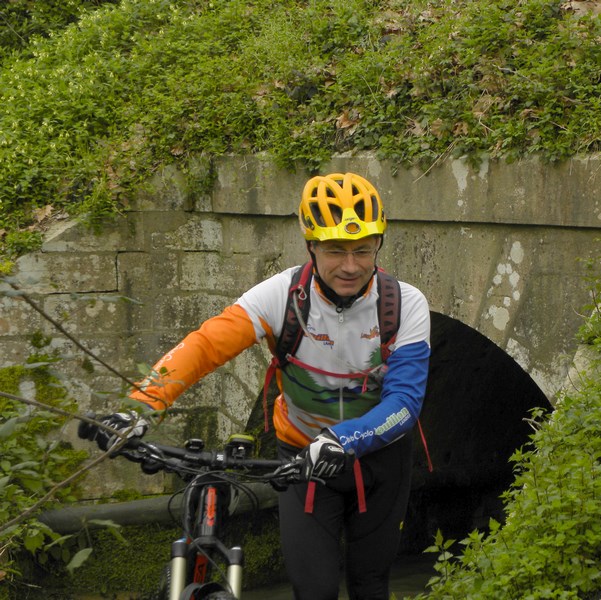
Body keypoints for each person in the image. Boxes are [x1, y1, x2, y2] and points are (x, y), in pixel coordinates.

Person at [84, 172, 431, 600]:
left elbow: (405, 402)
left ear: (379, 244)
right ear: (311, 246)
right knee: (314, 590)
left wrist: (342, 440)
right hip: (303, 459)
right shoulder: (281, 296)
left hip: (380, 461)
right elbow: (205, 347)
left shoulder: (405, 304)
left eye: (363, 250)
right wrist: (139, 404)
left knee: (370, 585)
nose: (351, 265)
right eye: (335, 250)